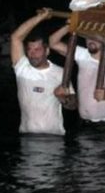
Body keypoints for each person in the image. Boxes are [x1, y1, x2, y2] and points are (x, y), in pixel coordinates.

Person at [10, 8, 73, 136]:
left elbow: (73, 106)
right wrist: (40, 17)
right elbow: (15, 37)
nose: (33, 54)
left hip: (54, 138)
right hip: (27, 138)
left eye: (37, 49)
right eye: (30, 50)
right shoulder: (22, 69)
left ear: (47, 51)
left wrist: (63, 98)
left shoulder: (60, 73)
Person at [50, 25, 105, 124]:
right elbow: (53, 42)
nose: (91, 40)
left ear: (103, 39)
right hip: (83, 122)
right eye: (88, 36)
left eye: (95, 37)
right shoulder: (82, 55)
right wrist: (70, 25)